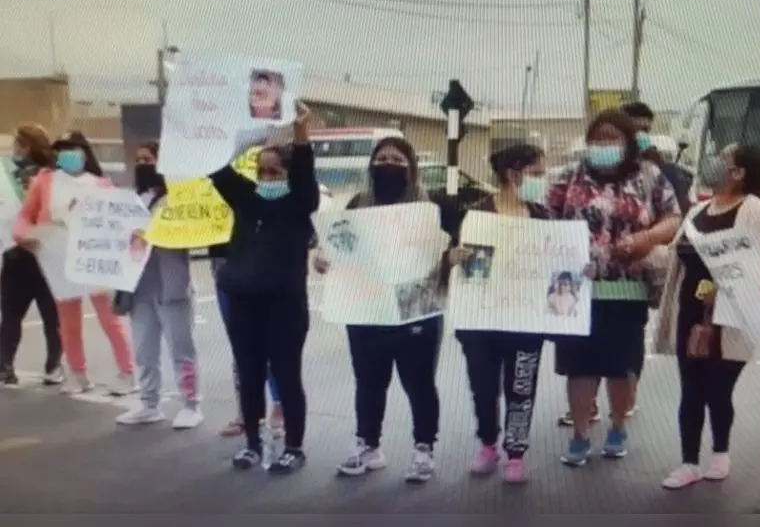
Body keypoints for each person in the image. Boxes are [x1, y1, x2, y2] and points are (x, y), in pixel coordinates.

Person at [548, 109, 681, 465]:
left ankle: (618, 426)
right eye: (597, 139)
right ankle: (579, 434)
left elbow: (673, 218)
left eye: (611, 138)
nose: (603, 145)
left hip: (627, 290)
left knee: (621, 367)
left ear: (626, 142)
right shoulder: (566, 177)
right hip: (574, 292)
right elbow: (540, 219)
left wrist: (646, 237)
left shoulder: (649, 176)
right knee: (579, 367)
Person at [315, 136, 446, 483]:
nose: (388, 163)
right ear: (371, 165)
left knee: (418, 383)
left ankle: (423, 450)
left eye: (397, 159)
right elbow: (339, 245)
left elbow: (442, 257)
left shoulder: (427, 209)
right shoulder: (358, 204)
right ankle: (368, 446)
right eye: (382, 157)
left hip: (413, 308)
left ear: (411, 167)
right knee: (369, 382)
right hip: (367, 307)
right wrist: (325, 259)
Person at [654, 144, 760, 489]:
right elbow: (676, 257)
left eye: (723, 160)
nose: (713, 163)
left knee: (718, 387)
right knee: (691, 388)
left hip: (732, 317)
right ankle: (687, 462)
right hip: (692, 313)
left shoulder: (757, 211)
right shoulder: (697, 210)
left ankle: (720, 452)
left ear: (739, 172)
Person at [209, 102, 318, 474]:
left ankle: (293, 447)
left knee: (287, 373)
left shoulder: (300, 204)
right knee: (250, 372)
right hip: (242, 300)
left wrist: (300, 132)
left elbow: (305, 174)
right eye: (262, 171)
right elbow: (216, 167)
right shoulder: (246, 199)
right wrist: (231, 130)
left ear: (288, 174)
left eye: (275, 171)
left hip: (285, 305)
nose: (267, 177)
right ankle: (253, 444)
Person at [448, 143, 550, 484]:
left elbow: (555, 265)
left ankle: (516, 452)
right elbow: (460, 260)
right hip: (482, 320)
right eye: (537, 173)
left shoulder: (542, 216)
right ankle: (488, 444)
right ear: (513, 174)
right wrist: (455, 257)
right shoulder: (477, 214)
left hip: (526, 321)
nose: (542, 180)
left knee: (522, 386)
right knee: (483, 386)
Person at [12, 132, 134, 396]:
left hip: (94, 258)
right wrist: (24, 236)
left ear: (84, 153)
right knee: (68, 321)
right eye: (62, 149)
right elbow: (25, 217)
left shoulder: (101, 184)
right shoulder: (44, 182)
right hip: (58, 257)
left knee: (109, 318)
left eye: (72, 149)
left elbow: (117, 219)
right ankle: (77, 373)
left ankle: (128, 371)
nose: (67, 154)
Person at [114, 142, 203, 429]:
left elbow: (192, 236)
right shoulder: (132, 199)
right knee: (144, 349)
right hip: (138, 287)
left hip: (171, 286)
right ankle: (149, 403)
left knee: (181, 348)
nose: (143, 163)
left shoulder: (177, 200)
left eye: (149, 159)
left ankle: (191, 404)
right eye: (138, 159)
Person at [0, 123, 62, 386]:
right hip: (47, 252)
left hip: (18, 250)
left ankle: (5, 365)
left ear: (24, 146)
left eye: (17, 144)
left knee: (13, 313)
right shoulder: (57, 175)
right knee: (51, 315)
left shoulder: (10, 174)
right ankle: (53, 366)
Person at [212, 238, 285, 437]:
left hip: (262, 260)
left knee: (270, 341)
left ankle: (280, 403)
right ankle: (246, 412)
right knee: (240, 344)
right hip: (224, 261)